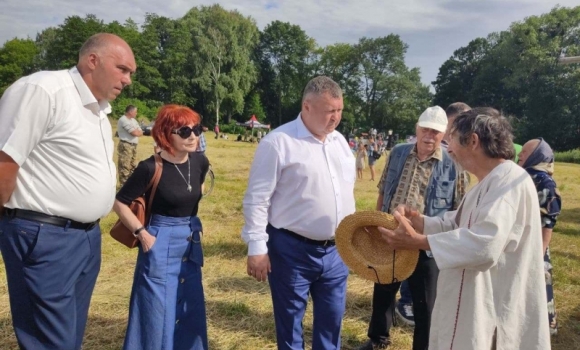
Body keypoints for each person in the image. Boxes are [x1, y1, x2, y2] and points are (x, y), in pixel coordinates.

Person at [0, 33, 136, 349]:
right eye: (123, 69)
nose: (127, 80)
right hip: (43, 235)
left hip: (85, 238)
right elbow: (5, 161)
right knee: (49, 340)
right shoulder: (44, 91)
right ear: (93, 61)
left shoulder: (98, 109)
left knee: (68, 336)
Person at [381, 107, 550, 349]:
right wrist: (420, 221)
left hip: (490, 305)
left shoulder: (508, 183)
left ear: (473, 141)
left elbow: (485, 244)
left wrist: (419, 242)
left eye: (452, 142)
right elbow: (457, 223)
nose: (448, 150)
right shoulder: (489, 181)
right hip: (470, 301)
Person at [242, 76, 355, 349]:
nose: (336, 118)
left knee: (332, 321)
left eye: (339, 111)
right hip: (292, 251)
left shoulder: (339, 142)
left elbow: (345, 191)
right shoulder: (278, 142)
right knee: (291, 323)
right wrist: (257, 247)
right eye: (330, 111)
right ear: (307, 106)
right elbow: (257, 199)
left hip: (337, 251)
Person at [357, 106, 467, 350]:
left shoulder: (453, 163)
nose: (429, 136)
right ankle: (378, 339)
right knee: (383, 291)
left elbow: (459, 210)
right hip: (391, 236)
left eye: (435, 132)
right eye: (425, 129)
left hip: (426, 244)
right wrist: (376, 225)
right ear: (416, 129)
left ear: (444, 134)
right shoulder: (398, 153)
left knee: (426, 304)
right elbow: (384, 189)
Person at [114, 105, 210, 350]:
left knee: (190, 304)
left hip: (190, 242)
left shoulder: (200, 161)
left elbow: (195, 192)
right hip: (159, 239)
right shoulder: (149, 167)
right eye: (185, 130)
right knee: (156, 310)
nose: (193, 136)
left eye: (196, 129)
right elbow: (119, 202)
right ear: (167, 134)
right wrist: (141, 233)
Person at [518, 138, 561, 336]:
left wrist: (540, 250)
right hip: (522, 240)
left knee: (538, 283)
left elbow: (548, 220)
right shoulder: (524, 176)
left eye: (525, 152)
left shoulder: (544, 181)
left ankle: (544, 327)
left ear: (537, 156)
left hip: (535, 244)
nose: (519, 155)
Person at [117, 105, 143, 186]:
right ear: (130, 112)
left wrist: (138, 132)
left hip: (133, 146)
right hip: (126, 145)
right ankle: (123, 187)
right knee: (125, 167)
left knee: (132, 166)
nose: (136, 113)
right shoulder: (123, 120)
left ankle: (130, 185)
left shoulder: (133, 121)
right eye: (135, 112)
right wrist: (137, 132)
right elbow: (135, 132)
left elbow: (141, 132)